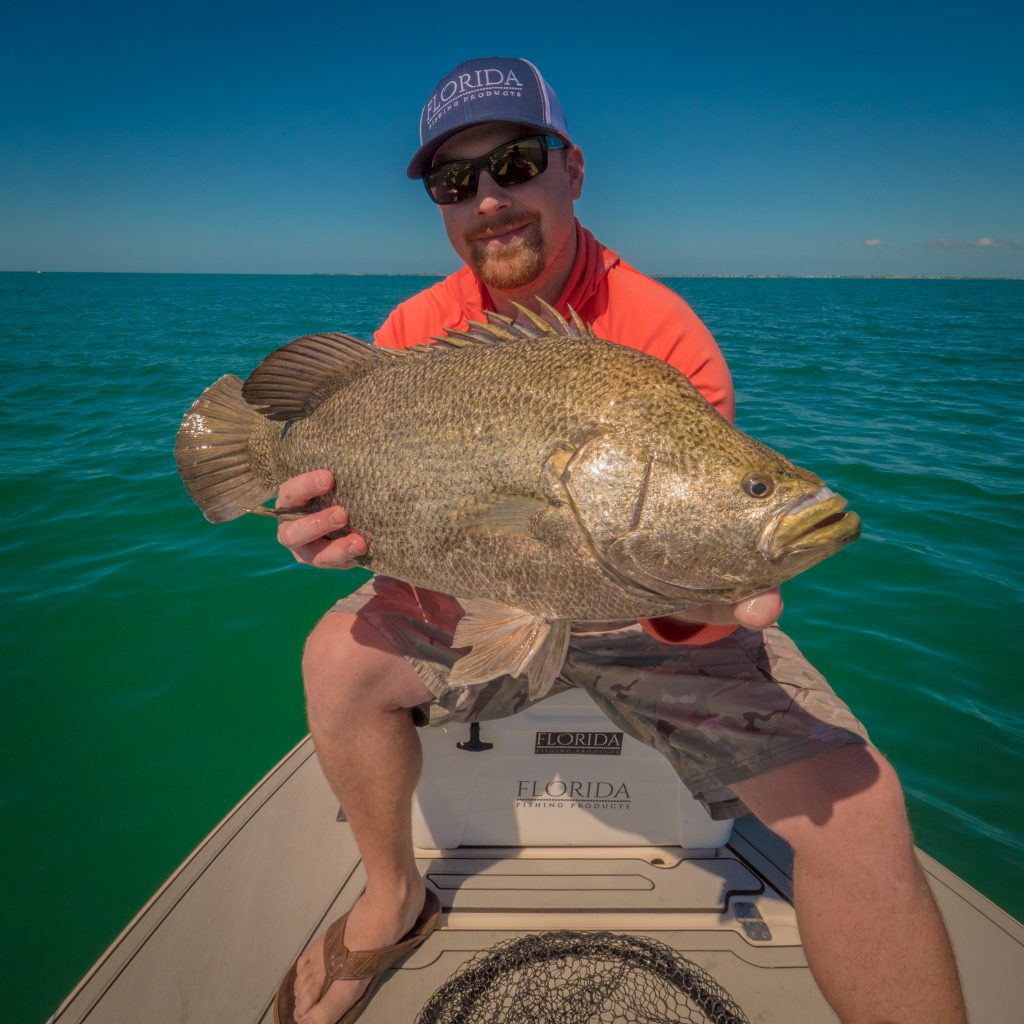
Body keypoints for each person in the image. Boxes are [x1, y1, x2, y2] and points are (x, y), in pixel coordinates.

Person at [273, 58, 967, 1024]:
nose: (490, 199)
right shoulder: (414, 335)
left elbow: (683, 559)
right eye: (455, 181)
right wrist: (331, 535)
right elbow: (419, 527)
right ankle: (394, 896)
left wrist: (704, 605)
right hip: (481, 598)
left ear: (572, 169)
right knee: (334, 663)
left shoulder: (664, 335)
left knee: (865, 814)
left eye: (516, 161)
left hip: (652, 615)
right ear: (438, 204)